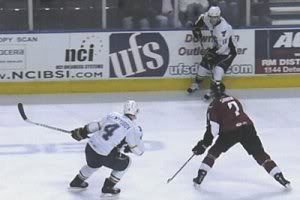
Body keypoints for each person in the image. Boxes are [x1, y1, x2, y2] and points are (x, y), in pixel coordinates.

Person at [191, 83, 291, 189]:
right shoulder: (234, 99)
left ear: (212, 92)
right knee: (260, 154)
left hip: (230, 132)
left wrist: (204, 144)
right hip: (247, 128)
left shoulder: (213, 105)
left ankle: (199, 178)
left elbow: (214, 129)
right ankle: (281, 178)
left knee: (213, 153)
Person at [69, 100, 145, 198]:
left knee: (93, 165)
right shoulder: (132, 128)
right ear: (136, 112)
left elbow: (96, 125)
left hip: (90, 148)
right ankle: (108, 187)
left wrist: (83, 132)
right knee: (127, 162)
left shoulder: (113, 115)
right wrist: (130, 147)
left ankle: (77, 181)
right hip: (104, 155)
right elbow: (138, 151)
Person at [187, 6, 237, 100]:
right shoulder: (208, 17)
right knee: (202, 68)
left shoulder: (223, 29)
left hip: (228, 52)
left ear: (219, 17)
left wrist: (210, 53)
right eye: (211, 17)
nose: (212, 19)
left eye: (215, 17)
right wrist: (196, 27)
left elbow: (222, 48)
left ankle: (213, 89)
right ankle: (197, 84)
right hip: (217, 47)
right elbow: (202, 18)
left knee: (218, 71)